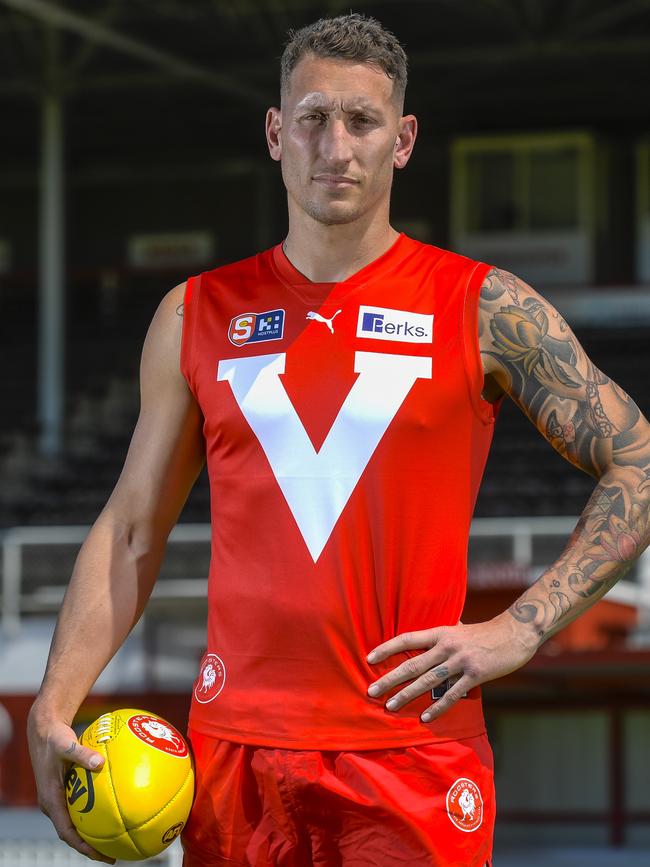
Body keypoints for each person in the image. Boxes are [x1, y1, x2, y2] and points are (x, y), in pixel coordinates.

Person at [27, 13, 650, 867]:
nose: (337, 145)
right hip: (234, 756)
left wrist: (521, 628)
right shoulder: (194, 314)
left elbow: (638, 456)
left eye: (363, 121)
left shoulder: (483, 307)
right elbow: (132, 528)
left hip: (412, 755)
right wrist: (53, 700)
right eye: (314, 118)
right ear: (278, 133)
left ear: (404, 139)